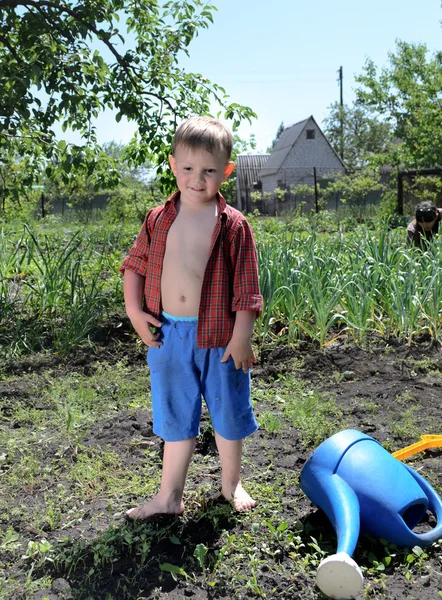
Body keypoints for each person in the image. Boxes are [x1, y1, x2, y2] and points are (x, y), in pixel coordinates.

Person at [120, 116, 263, 519]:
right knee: (174, 413)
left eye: (209, 171)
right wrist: (135, 311)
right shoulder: (158, 218)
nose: (197, 179)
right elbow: (135, 265)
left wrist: (242, 337)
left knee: (228, 410)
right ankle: (169, 496)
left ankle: (231, 484)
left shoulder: (234, 225)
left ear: (227, 171)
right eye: (187, 168)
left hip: (220, 337)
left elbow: (248, 289)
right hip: (169, 334)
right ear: (172, 165)